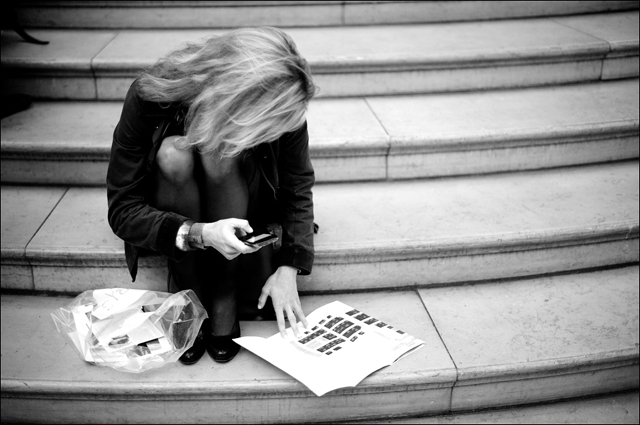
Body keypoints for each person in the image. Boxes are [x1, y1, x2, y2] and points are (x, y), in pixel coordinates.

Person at [107, 27, 316, 365]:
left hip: (237, 194)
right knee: (174, 153)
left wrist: (290, 266)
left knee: (219, 151)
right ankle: (189, 288)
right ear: (235, 98)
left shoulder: (282, 103)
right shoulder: (149, 96)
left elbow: (297, 185)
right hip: (174, 205)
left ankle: (223, 289)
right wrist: (199, 233)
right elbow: (122, 209)